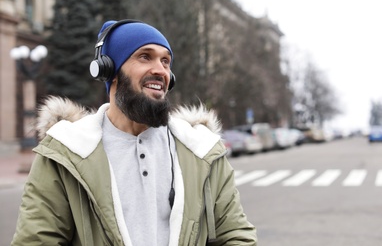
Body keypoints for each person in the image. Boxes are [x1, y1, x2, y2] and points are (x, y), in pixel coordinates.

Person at [12, 19, 257, 245]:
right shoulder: (65, 152)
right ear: (110, 71)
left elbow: (235, 235)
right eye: (145, 57)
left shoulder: (202, 150)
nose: (161, 70)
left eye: (165, 61)